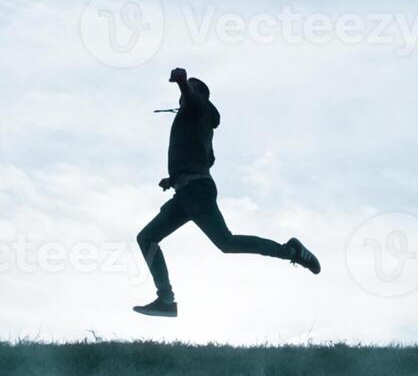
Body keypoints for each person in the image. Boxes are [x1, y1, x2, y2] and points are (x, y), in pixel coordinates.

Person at [134, 68, 321, 319]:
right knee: (150, 238)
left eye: (191, 88)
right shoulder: (196, 121)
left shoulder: (198, 107)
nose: (182, 97)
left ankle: (291, 251)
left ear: (200, 94)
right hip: (188, 192)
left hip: (196, 193)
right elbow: (206, 160)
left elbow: (192, 99)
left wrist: (181, 82)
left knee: (224, 242)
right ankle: (165, 300)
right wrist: (174, 179)